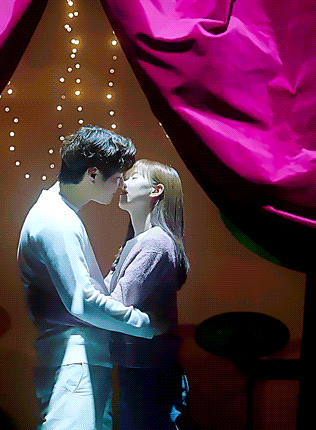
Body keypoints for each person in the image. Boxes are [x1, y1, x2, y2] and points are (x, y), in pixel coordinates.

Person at [17, 126, 155, 430]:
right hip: (74, 359)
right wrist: (146, 325)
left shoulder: (58, 214)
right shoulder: (57, 219)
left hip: (77, 357)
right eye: (117, 177)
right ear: (92, 174)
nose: (121, 185)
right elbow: (82, 302)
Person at [100, 159, 190, 430]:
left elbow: (114, 303)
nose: (123, 183)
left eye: (133, 177)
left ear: (156, 190)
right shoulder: (138, 242)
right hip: (142, 370)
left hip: (151, 375)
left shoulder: (156, 243)